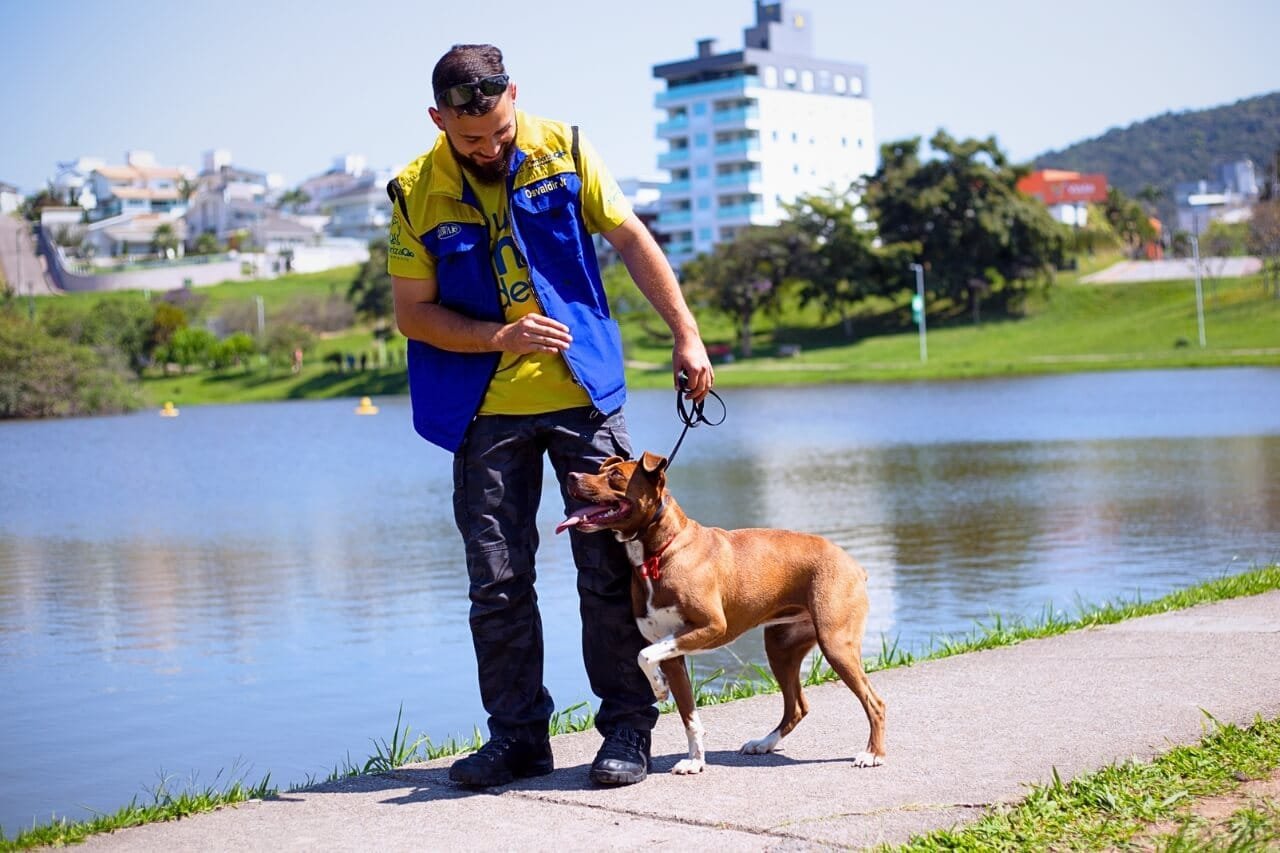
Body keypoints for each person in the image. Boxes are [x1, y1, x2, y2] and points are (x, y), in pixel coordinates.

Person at [386, 43, 713, 788]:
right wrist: (498, 336)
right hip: (483, 409)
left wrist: (685, 331)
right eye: (471, 140)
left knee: (609, 569)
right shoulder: (414, 192)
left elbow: (630, 238)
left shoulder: (562, 147)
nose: (491, 148)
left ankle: (628, 728)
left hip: (582, 392)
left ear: (514, 101)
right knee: (498, 580)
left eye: (500, 132)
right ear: (437, 120)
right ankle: (518, 737)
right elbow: (414, 313)